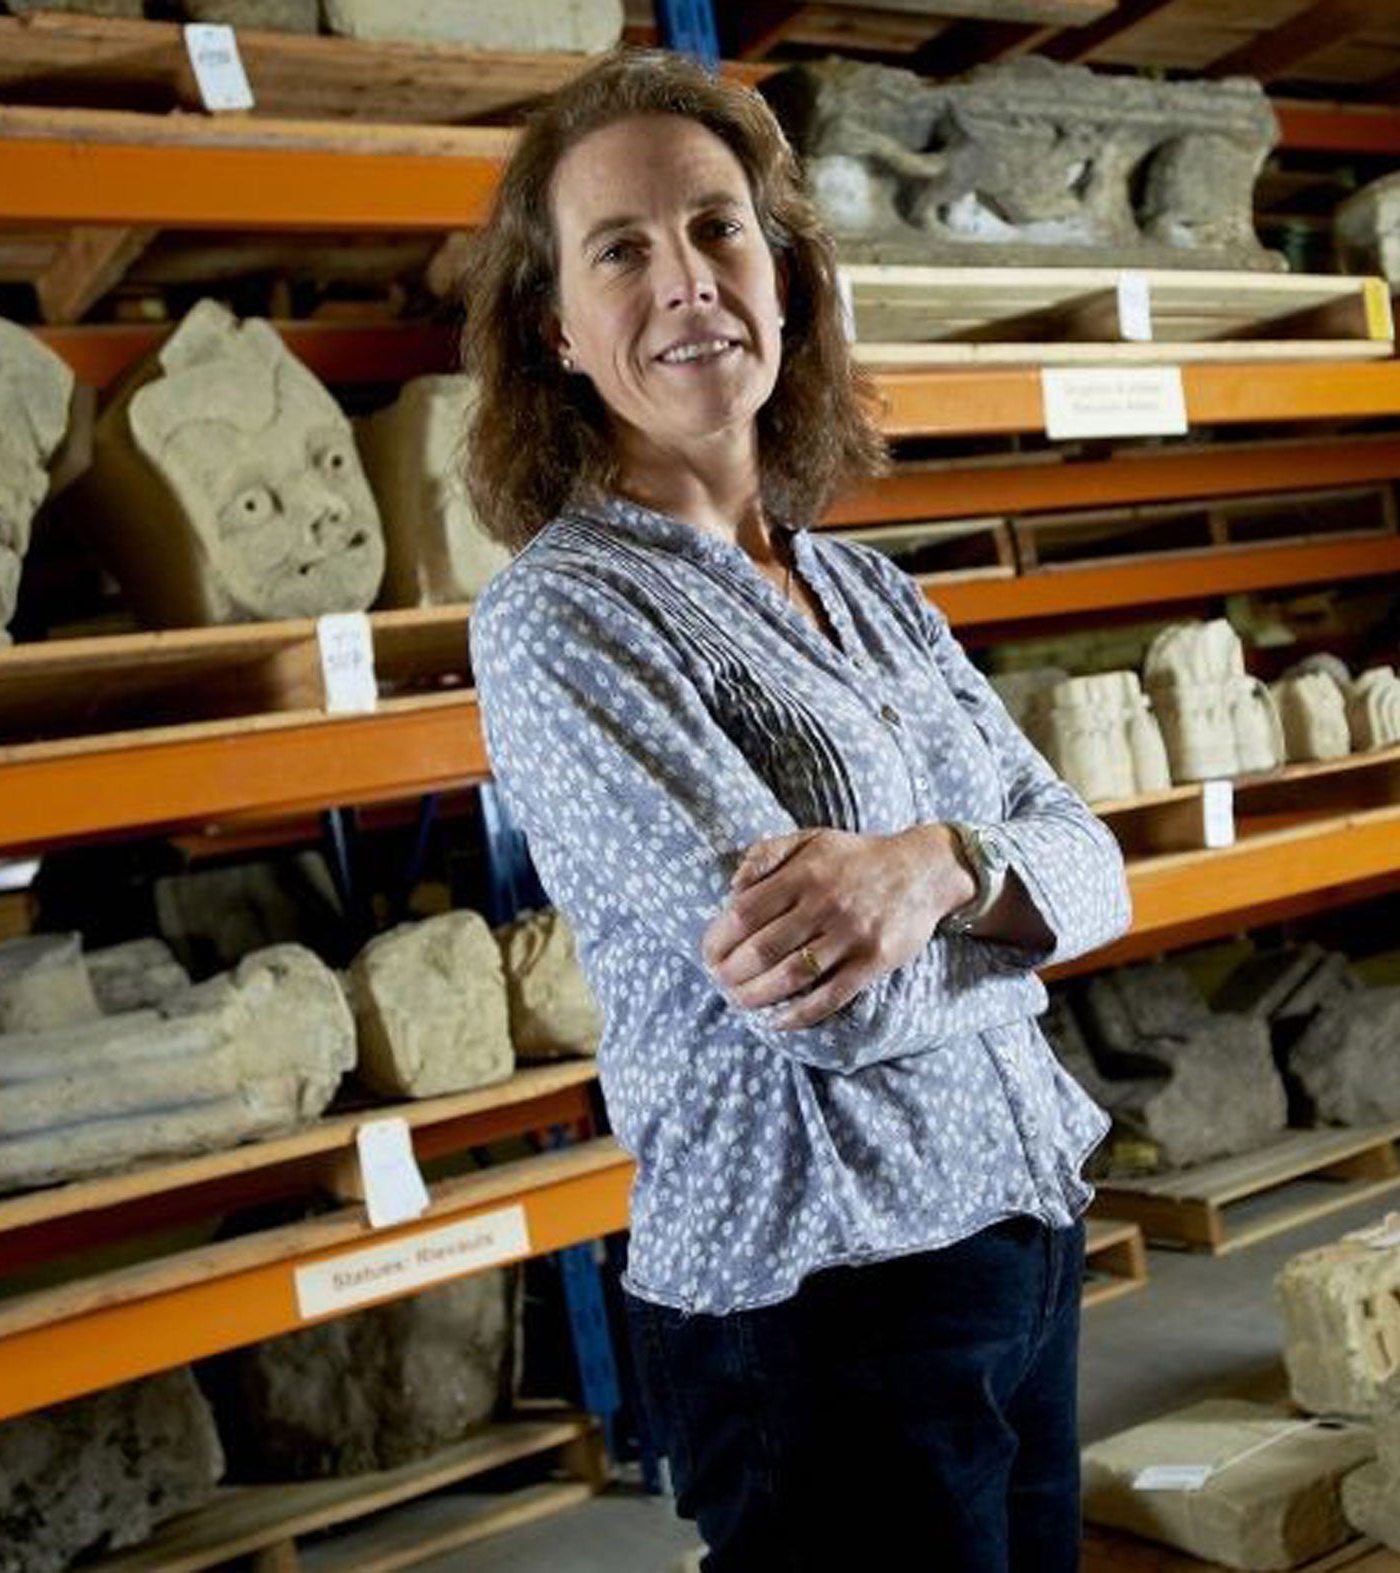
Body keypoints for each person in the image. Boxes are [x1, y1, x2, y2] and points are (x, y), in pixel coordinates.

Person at [462, 46, 1133, 1571]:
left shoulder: (870, 591)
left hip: (1019, 1238)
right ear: (558, 329)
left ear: (784, 272)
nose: (687, 279)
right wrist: (1006, 909)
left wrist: (943, 865)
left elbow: (1100, 865)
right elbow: (815, 1005)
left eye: (717, 227)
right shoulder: (565, 619)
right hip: (825, 1304)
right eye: (621, 250)